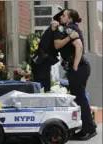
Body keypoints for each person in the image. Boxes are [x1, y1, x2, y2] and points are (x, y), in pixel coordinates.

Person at [53, 9, 97, 140]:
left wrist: (75, 65)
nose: (61, 17)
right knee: (80, 98)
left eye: (64, 15)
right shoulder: (69, 27)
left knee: (80, 98)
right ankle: (88, 127)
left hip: (79, 68)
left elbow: (79, 46)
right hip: (82, 68)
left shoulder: (69, 29)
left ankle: (88, 129)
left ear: (70, 19)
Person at [31, 9, 78, 92]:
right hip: (41, 62)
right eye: (61, 16)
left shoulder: (58, 29)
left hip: (43, 62)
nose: (61, 17)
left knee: (44, 86)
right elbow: (57, 45)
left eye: (63, 16)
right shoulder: (56, 28)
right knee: (43, 88)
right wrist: (70, 37)